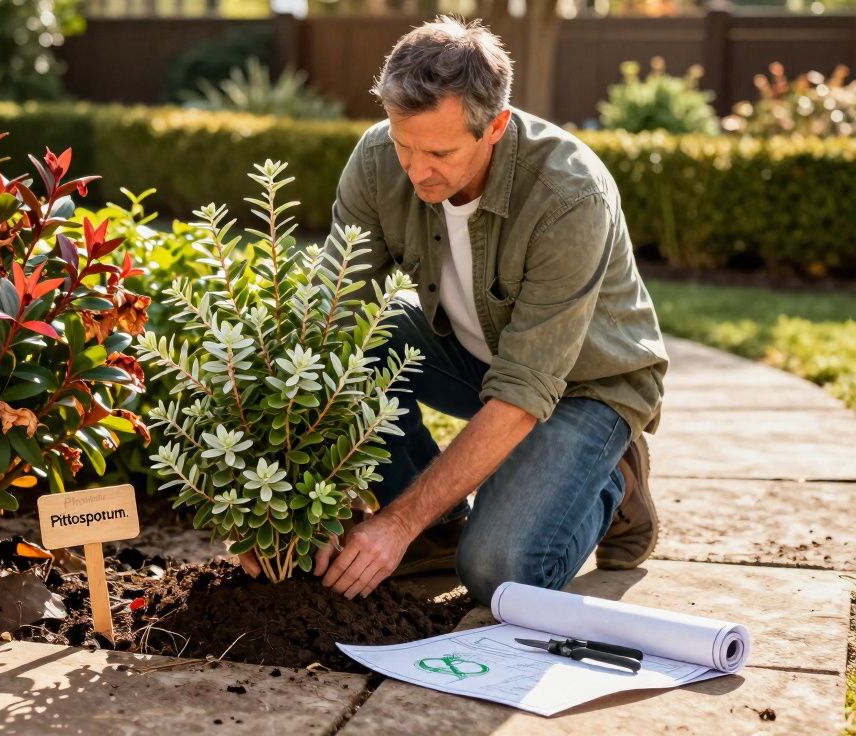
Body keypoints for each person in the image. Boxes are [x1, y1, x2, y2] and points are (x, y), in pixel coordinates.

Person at [236, 16, 668, 605]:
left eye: (439, 151)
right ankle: (438, 534)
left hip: (584, 385)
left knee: (500, 571)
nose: (416, 169)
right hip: (474, 358)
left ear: (495, 127)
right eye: (403, 144)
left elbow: (523, 390)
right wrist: (280, 504)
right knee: (368, 334)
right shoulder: (377, 161)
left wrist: (396, 522)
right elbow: (327, 325)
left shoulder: (569, 195)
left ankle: (612, 475)